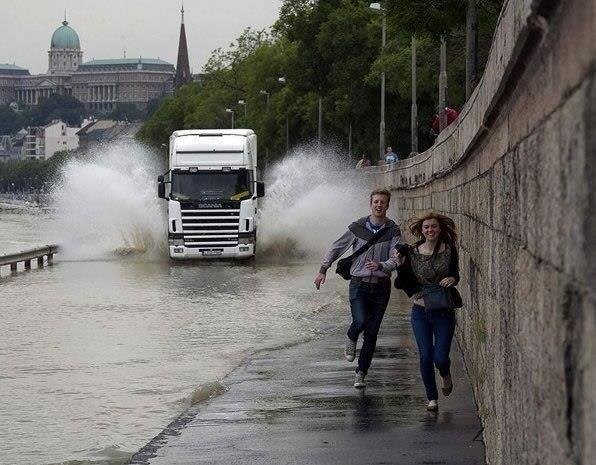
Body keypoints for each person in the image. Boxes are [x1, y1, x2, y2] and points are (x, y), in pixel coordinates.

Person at [368, 212, 460, 411]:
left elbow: (455, 274)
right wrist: (400, 266)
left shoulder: (449, 249)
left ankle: (445, 373)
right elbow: (401, 283)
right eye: (426, 227)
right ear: (421, 230)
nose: (430, 230)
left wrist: (452, 279)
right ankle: (432, 398)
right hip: (420, 312)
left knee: (440, 358)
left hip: (444, 311)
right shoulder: (412, 251)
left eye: (433, 226)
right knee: (426, 355)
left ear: (440, 228)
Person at [314, 189, 403, 388]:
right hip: (358, 284)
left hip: (381, 287)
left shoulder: (393, 230)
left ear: (387, 206)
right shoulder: (357, 227)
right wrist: (322, 270)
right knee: (361, 320)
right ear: (370, 204)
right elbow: (337, 247)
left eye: (383, 202)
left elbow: (396, 258)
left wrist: (381, 266)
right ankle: (351, 336)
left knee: (372, 333)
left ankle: (361, 373)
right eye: (376, 202)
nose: (379, 205)